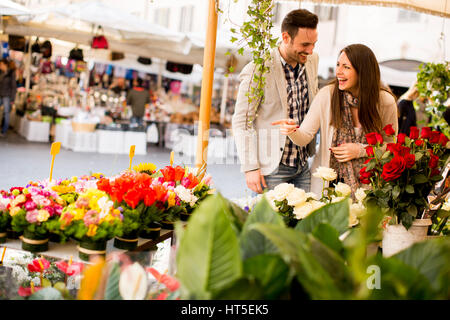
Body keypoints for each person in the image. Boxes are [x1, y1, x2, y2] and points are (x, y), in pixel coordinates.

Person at [272, 44, 398, 196]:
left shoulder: (385, 102)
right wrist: (292, 131)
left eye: (346, 67)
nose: (338, 71)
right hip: (328, 186)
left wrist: (360, 150)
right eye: (338, 65)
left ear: (363, 71)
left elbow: (391, 147)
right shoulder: (327, 95)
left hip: (369, 188)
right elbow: (304, 136)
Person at [232, 9, 319, 194]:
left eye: (314, 44)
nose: (311, 50)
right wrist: (250, 168)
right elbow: (242, 121)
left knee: (304, 222)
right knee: (266, 223)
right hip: (272, 169)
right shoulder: (258, 68)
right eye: (305, 44)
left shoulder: (312, 60)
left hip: (303, 165)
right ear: (286, 37)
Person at [0, 58, 17, 137]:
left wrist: (12, 99)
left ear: (5, 64)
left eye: (1, 64)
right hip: (1, 95)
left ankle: (4, 130)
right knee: (5, 113)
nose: (0, 66)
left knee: (6, 113)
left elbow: (14, 87)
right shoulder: (1, 73)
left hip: (7, 96)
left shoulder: (11, 73)